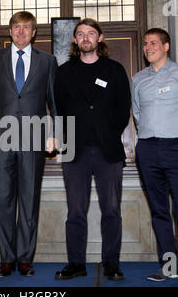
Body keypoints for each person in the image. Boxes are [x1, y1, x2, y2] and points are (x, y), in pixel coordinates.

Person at [0, 11, 58, 277]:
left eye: (26, 28)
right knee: (3, 200)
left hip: (34, 138)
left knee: (29, 199)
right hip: (1, 139)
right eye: (16, 27)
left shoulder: (48, 61)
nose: (21, 32)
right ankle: (7, 258)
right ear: (10, 31)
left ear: (34, 32)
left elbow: (53, 102)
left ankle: (24, 258)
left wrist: (54, 133)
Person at [54, 18, 131, 281]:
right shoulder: (63, 73)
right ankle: (76, 263)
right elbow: (59, 110)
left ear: (100, 38)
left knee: (111, 209)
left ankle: (111, 263)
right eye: (80, 34)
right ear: (75, 40)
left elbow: (123, 110)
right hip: (75, 150)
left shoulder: (115, 70)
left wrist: (105, 130)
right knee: (75, 210)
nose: (85, 37)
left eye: (90, 33)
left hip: (108, 150)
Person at [132, 28, 178, 285]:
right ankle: (169, 266)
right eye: (145, 44)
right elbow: (138, 113)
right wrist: (149, 138)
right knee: (159, 210)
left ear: (166, 46)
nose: (148, 47)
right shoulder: (138, 79)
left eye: (153, 43)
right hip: (148, 149)